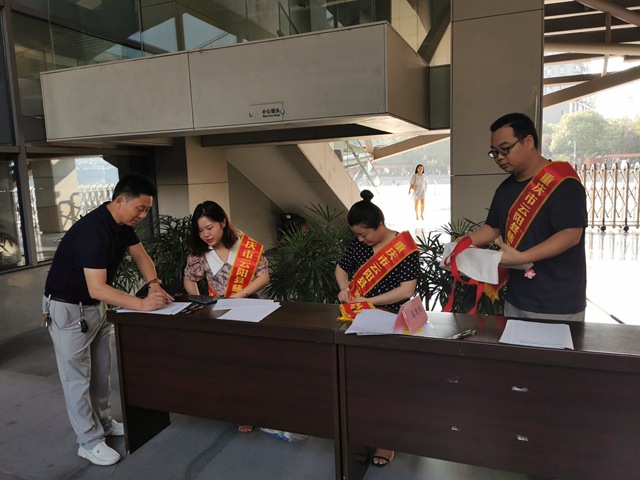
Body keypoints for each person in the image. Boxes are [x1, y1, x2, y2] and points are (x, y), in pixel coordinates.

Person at [43, 173, 175, 466]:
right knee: (76, 379)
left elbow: (141, 256)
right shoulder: (93, 231)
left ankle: (103, 423)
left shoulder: (122, 225)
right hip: (68, 309)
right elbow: (97, 287)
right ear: (120, 201)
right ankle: (88, 441)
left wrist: (153, 284)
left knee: (101, 372)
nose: (143, 216)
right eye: (140, 209)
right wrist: (141, 303)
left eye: (147, 210)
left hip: (95, 308)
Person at [463, 112, 587, 321]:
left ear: (529, 141)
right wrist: (463, 243)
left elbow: (570, 234)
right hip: (517, 298)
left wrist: (523, 257)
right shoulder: (506, 188)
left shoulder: (563, 183)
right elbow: (493, 227)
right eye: (494, 152)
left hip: (558, 300)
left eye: (505, 149)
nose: (499, 157)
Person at [335, 189, 420, 467]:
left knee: (389, 381)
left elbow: (406, 290)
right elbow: (341, 268)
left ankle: (387, 439)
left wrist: (368, 301)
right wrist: (345, 288)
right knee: (361, 379)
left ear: (380, 225)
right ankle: (362, 431)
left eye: (364, 235)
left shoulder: (404, 247)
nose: (361, 240)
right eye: (357, 236)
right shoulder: (359, 245)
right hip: (360, 319)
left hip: (393, 320)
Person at [183, 200, 270, 433]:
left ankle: (252, 409)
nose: (205, 234)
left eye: (209, 227)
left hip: (249, 307)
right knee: (227, 363)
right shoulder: (200, 254)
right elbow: (190, 279)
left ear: (223, 222)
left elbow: (264, 276)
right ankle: (236, 410)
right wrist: (199, 301)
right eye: (200, 230)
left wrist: (241, 294)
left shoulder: (244, 246)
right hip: (218, 311)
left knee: (250, 363)